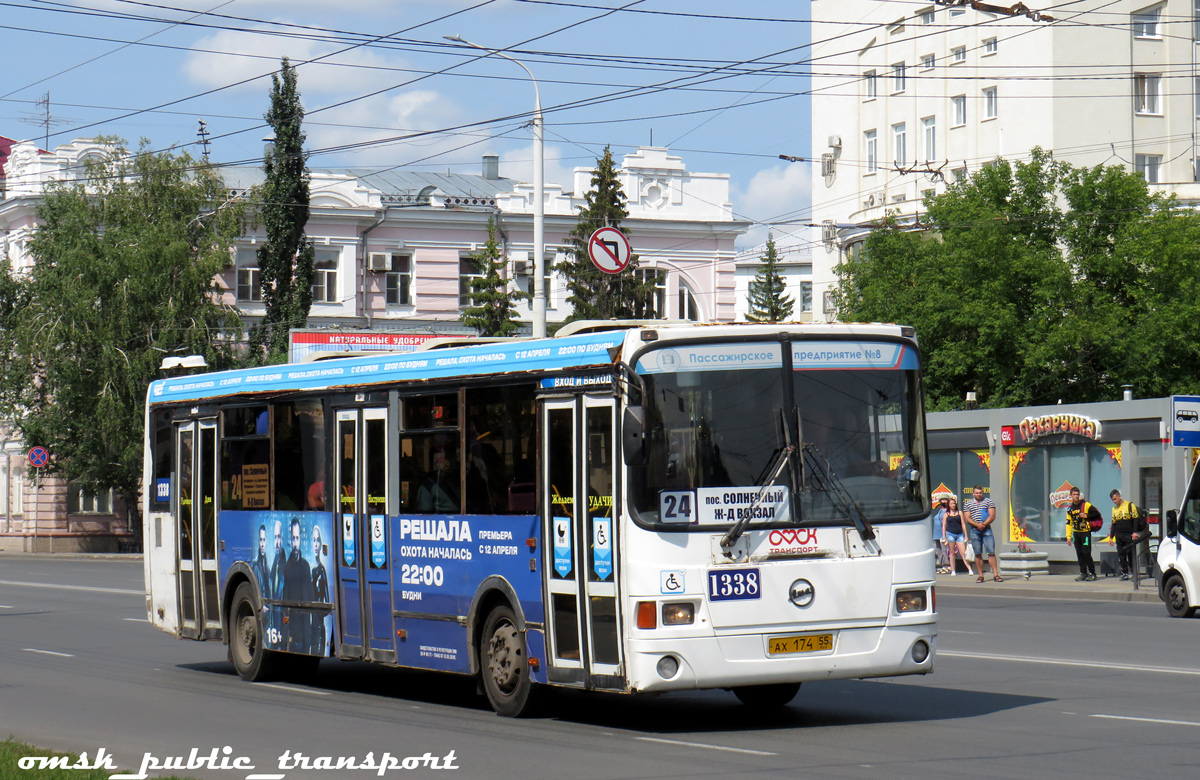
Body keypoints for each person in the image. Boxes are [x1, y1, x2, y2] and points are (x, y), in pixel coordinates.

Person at [281, 517, 313, 652]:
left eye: (297, 538)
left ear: (300, 540)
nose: (295, 543)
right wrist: (286, 624)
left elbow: (310, 596)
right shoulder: (286, 567)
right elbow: (284, 600)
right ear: (290, 541)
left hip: (305, 624)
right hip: (293, 625)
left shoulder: (306, 566)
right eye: (293, 538)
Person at [1108, 489, 1150, 581]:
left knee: (1131, 554)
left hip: (1128, 534)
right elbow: (1114, 523)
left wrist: (1135, 532)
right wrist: (1111, 537)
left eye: (1115, 499)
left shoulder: (1130, 505)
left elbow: (1135, 520)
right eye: (1113, 500)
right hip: (1119, 535)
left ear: (1119, 496)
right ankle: (1125, 572)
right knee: (1121, 554)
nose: (1114, 501)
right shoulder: (1114, 509)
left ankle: (1134, 573)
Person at [964, 485, 1003, 583]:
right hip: (974, 530)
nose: (979, 494)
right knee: (978, 554)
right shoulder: (968, 504)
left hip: (986, 529)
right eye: (977, 493)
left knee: (991, 552)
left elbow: (992, 515)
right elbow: (967, 518)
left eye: (980, 493)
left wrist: (984, 524)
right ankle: (980, 576)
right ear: (973, 493)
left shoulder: (988, 501)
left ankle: (995, 574)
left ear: (983, 493)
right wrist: (977, 525)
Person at [1065, 487, 1102, 581]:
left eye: (1077, 494)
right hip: (1076, 534)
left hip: (1085, 533)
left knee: (1086, 552)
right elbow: (1069, 523)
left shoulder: (1086, 505)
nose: (1076, 497)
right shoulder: (1070, 509)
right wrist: (1068, 537)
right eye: (1074, 495)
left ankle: (1092, 573)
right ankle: (1083, 572)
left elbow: (1097, 514)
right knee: (1079, 554)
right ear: (1071, 496)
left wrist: (1086, 516)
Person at [416, 447, 459, 513]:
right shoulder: (428, 485)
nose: (446, 461)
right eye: (440, 459)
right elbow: (424, 516)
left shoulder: (457, 479)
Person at [311, 526, 330, 653]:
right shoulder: (311, 570)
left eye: (318, 540)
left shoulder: (322, 571)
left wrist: (319, 612)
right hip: (311, 626)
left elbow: (328, 601)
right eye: (314, 540)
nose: (316, 544)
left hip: (318, 627)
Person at [942, 497, 972, 576]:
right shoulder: (946, 514)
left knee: (963, 552)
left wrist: (966, 535)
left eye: (954, 503)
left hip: (959, 534)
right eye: (951, 504)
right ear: (949, 505)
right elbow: (944, 526)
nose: (953, 505)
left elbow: (963, 524)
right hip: (950, 534)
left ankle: (969, 569)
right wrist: (944, 537)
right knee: (952, 552)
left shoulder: (959, 512)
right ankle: (953, 570)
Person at [251, 524, 271, 598]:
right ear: (258, 541)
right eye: (261, 540)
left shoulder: (267, 566)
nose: (262, 544)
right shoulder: (254, 566)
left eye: (264, 540)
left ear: (266, 542)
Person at [932, 497, 950, 574]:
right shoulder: (940, 510)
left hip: (943, 534)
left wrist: (945, 535)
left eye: (945, 500)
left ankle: (947, 566)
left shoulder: (948, 511)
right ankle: (942, 565)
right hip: (936, 534)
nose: (944, 501)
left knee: (944, 550)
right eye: (942, 500)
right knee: (939, 550)